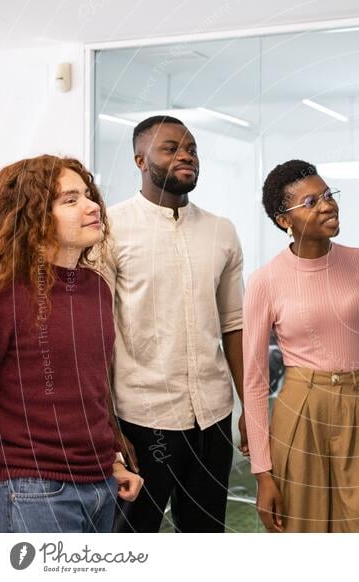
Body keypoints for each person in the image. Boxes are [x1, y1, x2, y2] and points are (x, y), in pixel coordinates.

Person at [105, 116, 245, 533]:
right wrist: (109, 427)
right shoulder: (111, 229)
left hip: (213, 416)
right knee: (130, 540)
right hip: (142, 419)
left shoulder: (222, 231)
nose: (187, 155)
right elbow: (98, 336)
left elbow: (233, 324)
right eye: (171, 148)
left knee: (204, 535)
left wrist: (249, 410)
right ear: (140, 159)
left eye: (192, 148)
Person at [0, 155, 143, 533]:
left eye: (88, 195)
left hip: (101, 485)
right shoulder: (2, 292)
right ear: (33, 215)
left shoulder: (96, 288)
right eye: (70, 200)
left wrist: (113, 460)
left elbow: (91, 389)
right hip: (29, 489)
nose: (93, 206)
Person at [243, 160, 359, 533]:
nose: (328, 205)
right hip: (301, 409)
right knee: (305, 533)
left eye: (329, 195)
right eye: (312, 201)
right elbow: (255, 382)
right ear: (285, 220)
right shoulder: (265, 281)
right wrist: (263, 474)